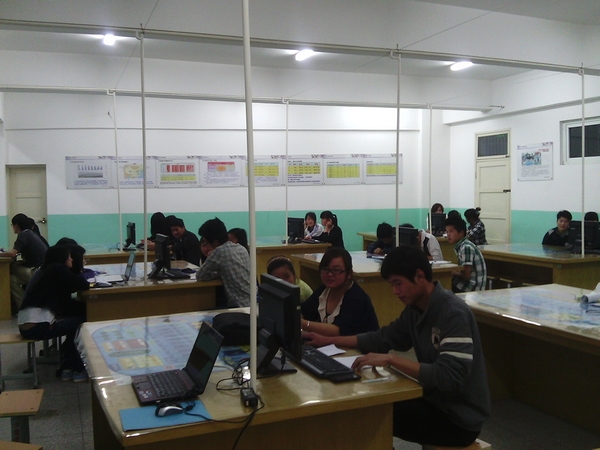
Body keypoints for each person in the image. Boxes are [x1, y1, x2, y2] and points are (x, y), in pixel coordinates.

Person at [303, 246, 490, 448]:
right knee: (367, 406)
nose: (395, 291)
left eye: (398, 283)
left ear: (420, 276)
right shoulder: (415, 310)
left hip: (458, 419)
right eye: (392, 285)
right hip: (435, 401)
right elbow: (382, 338)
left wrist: (391, 359)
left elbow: (448, 376)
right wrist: (329, 340)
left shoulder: (452, 313)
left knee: (369, 414)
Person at [18, 245, 90, 382]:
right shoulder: (57, 269)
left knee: (76, 322)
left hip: (30, 324)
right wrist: (80, 269)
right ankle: (77, 369)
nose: (71, 259)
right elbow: (83, 283)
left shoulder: (50, 270)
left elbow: (65, 303)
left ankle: (68, 367)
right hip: (36, 327)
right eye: (69, 256)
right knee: (82, 323)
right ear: (62, 258)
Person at [301, 248, 379, 336]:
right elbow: (304, 312)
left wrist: (303, 324)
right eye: (325, 269)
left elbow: (338, 331)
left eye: (336, 270)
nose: (329, 274)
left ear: (349, 274)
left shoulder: (357, 298)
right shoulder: (324, 290)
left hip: (358, 345)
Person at [196, 218, 251, 308]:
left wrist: (217, 273)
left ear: (215, 242)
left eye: (207, 241)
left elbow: (200, 276)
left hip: (238, 307)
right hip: (253, 302)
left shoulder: (219, 252)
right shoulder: (241, 248)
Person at [0, 213, 49, 311]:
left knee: (10, 268)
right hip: (43, 272)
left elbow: (12, 254)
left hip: (37, 272)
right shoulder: (31, 234)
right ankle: (26, 306)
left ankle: (21, 307)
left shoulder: (23, 235)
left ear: (16, 225)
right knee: (12, 279)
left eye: (12, 225)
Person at [445, 216, 486, 292]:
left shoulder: (466, 247)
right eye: (447, 232)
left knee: (444, 287)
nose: (448, 235)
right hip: (468, 285)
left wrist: (453, 272)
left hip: (472, 289)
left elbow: (466, 276)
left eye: (451, 231)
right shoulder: (462, 246)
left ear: (461, 233)